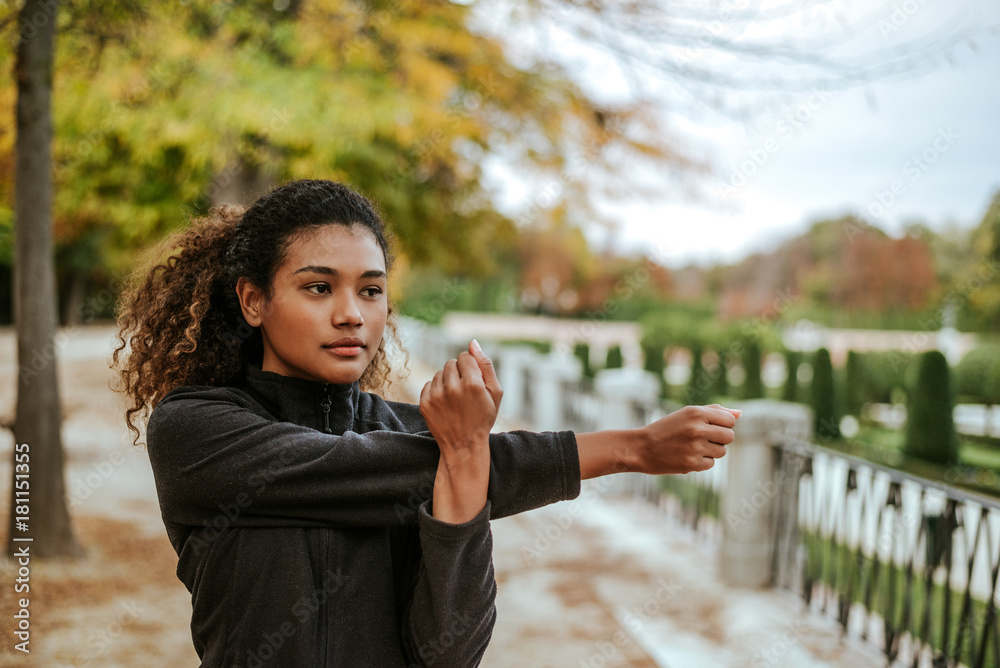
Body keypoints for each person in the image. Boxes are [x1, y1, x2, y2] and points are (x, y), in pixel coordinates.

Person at [113, 179, 739, 667]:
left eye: (371, 290)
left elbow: (448, 654)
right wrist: (627, 448)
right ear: (254, 300)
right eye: (318, 288)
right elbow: (358, 468)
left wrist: (467, 461)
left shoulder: (424, 439)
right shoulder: (196, 430)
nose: (351, 314)